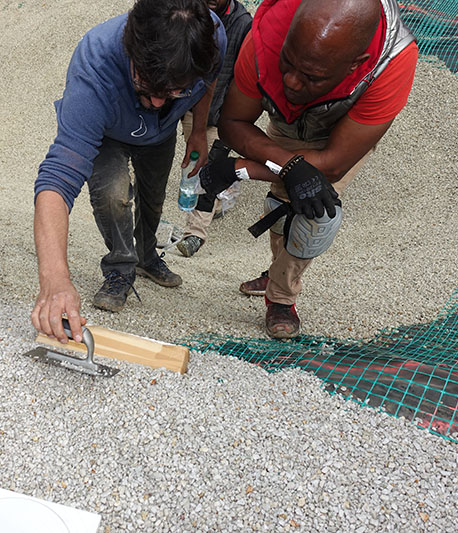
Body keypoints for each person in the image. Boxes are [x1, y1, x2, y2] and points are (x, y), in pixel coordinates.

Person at [197, 0, 418, 338]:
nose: (293, 82)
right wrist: (288, 165)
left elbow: (332, 165)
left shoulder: (392, 63)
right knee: (283, 203)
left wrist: (240, 168)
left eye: (312, 76)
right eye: (288, 62)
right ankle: (278, 270)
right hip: (286, 121)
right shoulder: (266, 36)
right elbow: (233, 122)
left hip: (342, 133)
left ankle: (281, 297)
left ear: (356, 64)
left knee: (315, 212)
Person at [31, 0, 226, 343]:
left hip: (161, 135)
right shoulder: (96, 63)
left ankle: (147, 256)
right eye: (147, 87)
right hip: (106, 133)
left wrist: (198, 128)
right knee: (113, 195)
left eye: (174, 90)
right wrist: (55, 280)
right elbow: (57, 178)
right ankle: (120, 269)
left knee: (154, 198)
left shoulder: (210, 38)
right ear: (130, 48)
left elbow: (207, 80)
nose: (157, 102)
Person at [174, 0, 253, 258]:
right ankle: (217, 204)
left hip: (219, 111)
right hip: (182, 101)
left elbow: (246, 74)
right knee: (192, 163)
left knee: (203, 167)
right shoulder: (186, 9)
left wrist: (235, 116)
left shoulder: (242, 23)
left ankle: (194, 234)